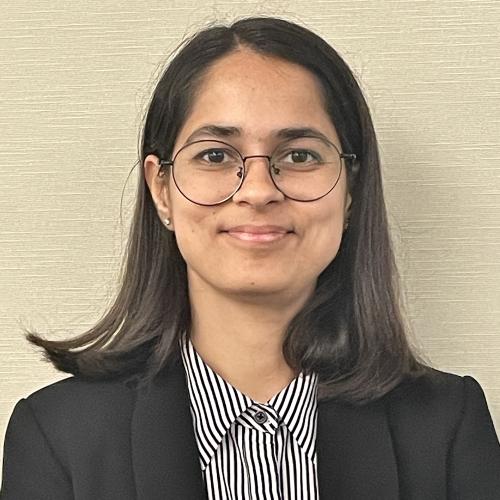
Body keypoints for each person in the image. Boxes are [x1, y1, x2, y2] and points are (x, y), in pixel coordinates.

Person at [1, 16, 499, 500]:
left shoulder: (447, 426)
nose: (259, 190)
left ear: (351, 190)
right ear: (162, 190)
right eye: (216, 155)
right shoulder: (57, 437)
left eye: (299, 155)